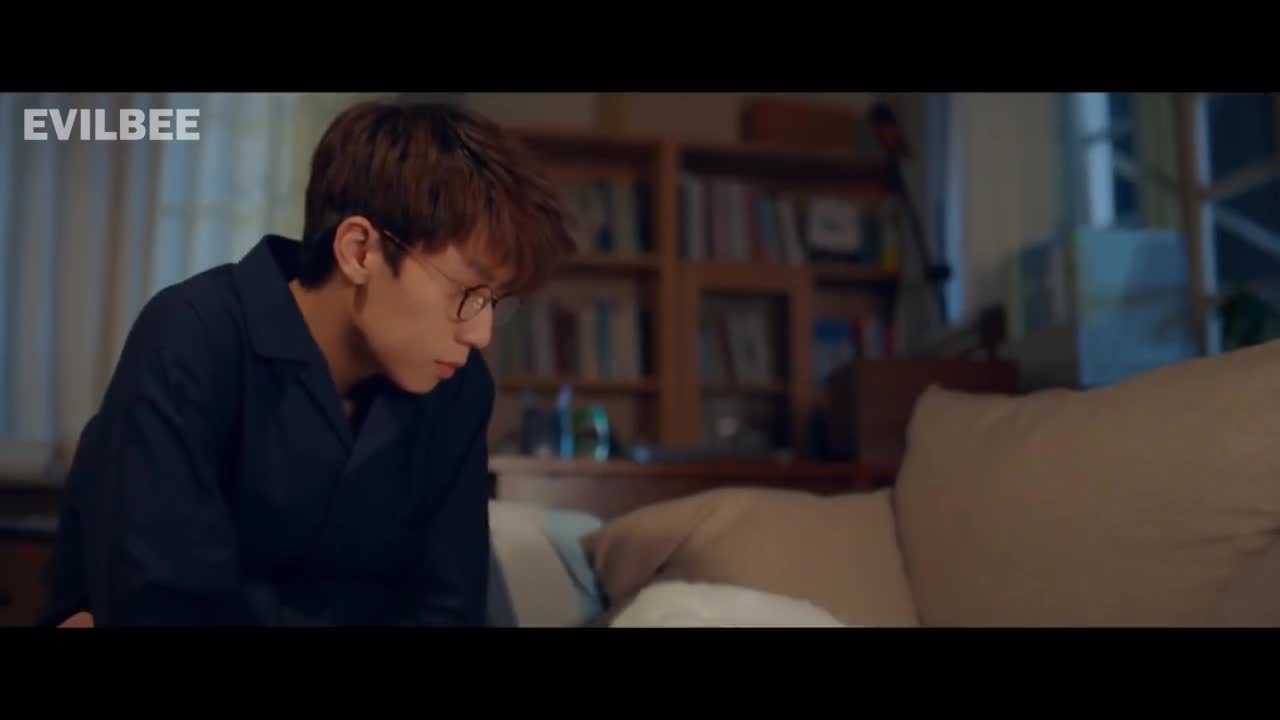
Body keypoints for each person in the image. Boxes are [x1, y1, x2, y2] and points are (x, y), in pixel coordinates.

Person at [38, 99, 576, 626]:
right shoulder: (194, 335)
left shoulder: (457, 388)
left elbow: (450, 608)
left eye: (496, 302)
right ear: (358, 250)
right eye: (466, 293)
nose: (480, 333)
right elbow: (162, 602)